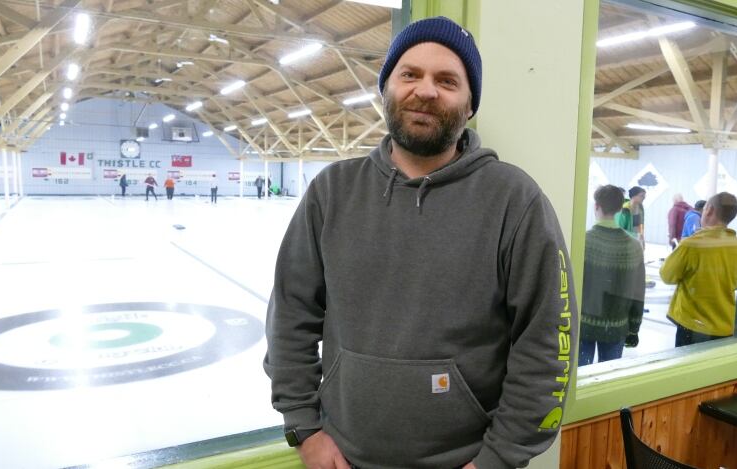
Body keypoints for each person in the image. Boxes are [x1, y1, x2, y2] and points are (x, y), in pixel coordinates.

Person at [264, 16, 577, 469]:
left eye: (447, 80)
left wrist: (498, 459)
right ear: (386, 89)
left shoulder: (514, 199)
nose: (426, 91)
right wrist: (304, 429)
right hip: (343, 458)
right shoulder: (331, 192)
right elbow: (290, 316)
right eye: (409, 74)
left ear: (470, 104)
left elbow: (548, 342)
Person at [660, 192, 737, 347]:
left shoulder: (693, 244)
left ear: (709, 210)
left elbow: (666, 275)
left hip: (693, 326)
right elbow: (736, 282)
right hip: (725, 326)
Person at [579, 185, 645, 366]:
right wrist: (634, 329)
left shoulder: (582, 241)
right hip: (616, 326)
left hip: (583, 325)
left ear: (596, 206)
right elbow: (638, 292)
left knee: (578, 381)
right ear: (618, 208)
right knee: (606, 379)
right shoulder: (633, 246)